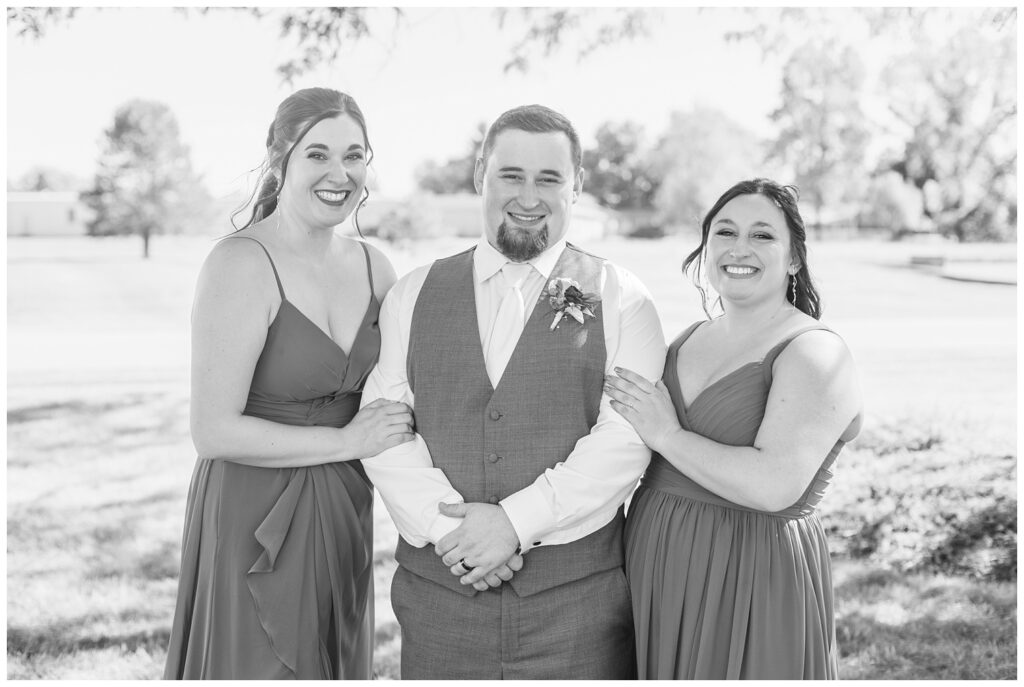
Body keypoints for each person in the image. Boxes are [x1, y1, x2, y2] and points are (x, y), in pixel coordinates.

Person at [360, 104, 666, 679]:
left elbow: (625, 440)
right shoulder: (413, 293)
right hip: (440, 600)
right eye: (511, 175)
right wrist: (454, 532)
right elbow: (384, 430)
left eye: (549, 178)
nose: (529, 195)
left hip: (577, 607)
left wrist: (513, 523)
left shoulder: (624, 298)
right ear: (481, 175)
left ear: (576, 186)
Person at [163, 88, 414, 679]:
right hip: (254, 510)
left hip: (345, 506)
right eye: (318, 155)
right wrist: (347, 443)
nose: (339, 173)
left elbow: (400, 393)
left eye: (355, 156)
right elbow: (212, 431)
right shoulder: (240, 264)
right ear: (281, 161)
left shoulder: (377, 266)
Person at [605, 178, 862, 679]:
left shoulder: (814, 352)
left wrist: (670, 437)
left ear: (793, 259)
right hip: (657, 560)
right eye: (725, 232)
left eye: (763, 235)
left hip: (752, 572)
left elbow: (773, 486)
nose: (739, 248)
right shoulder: (685, 338)